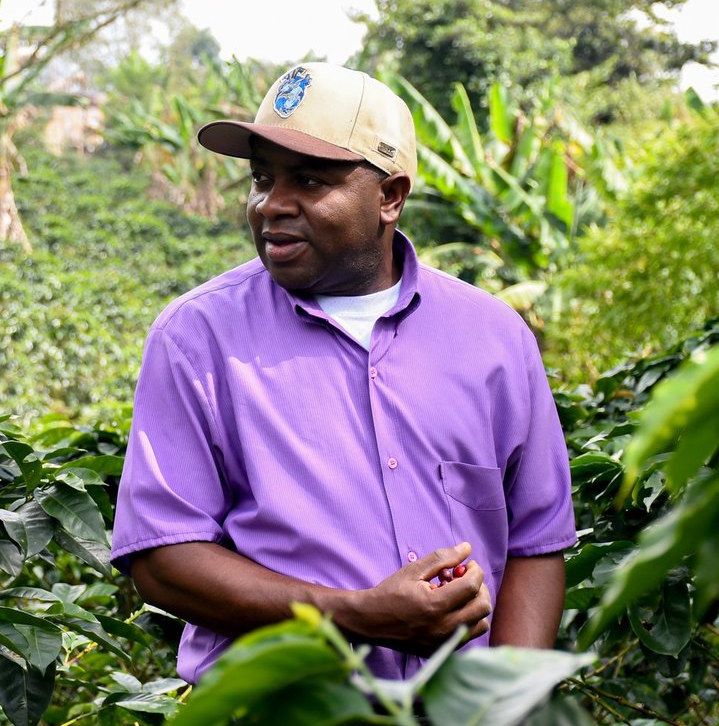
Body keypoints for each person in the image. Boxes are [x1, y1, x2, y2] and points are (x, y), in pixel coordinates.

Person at [109, 62, 576, 683]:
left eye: (308, 180)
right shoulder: (198, 337)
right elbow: (163, 558)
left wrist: (507, 704)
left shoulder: (493, 337)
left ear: (390, 196)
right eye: (262, 179)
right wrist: (356, 615)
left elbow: (535, 543)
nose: (272, 205)